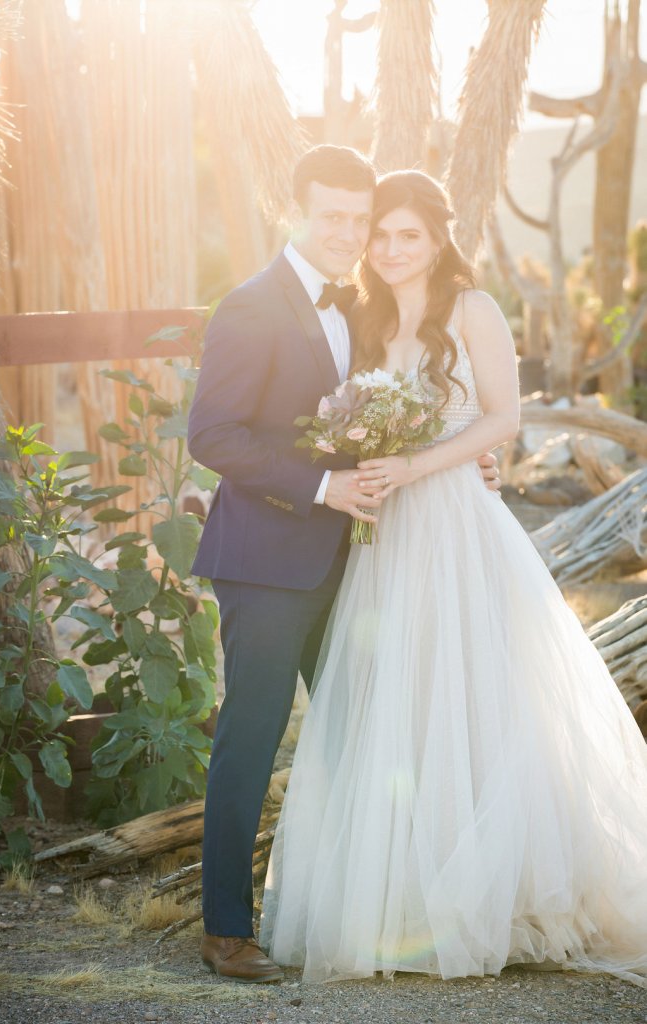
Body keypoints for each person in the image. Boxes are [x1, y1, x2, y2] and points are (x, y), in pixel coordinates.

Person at [260, 170, 647, 988]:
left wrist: (423, 463)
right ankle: (409, 893)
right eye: (382, 235)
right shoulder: (362, 314)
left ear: (437, 239)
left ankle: (503, 896)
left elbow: (502, 417)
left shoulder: (471, 309)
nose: (393, 249)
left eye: (409, 235)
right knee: (400, 694)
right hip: (385, 532)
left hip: (456, 525)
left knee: (479, 691)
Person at [187, 148, 500, 983]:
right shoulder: (250, 306)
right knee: (251, 738)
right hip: (265, 557)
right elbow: (211, 435)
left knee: (364, 734)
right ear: (295, 211)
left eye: (357, 219)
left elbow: (400, 413)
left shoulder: (365, 308)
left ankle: (373, 908)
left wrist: (463, 457)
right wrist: (322, 484)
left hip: (361, 562)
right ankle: (226, 928)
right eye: (330, 216)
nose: (347, 233)